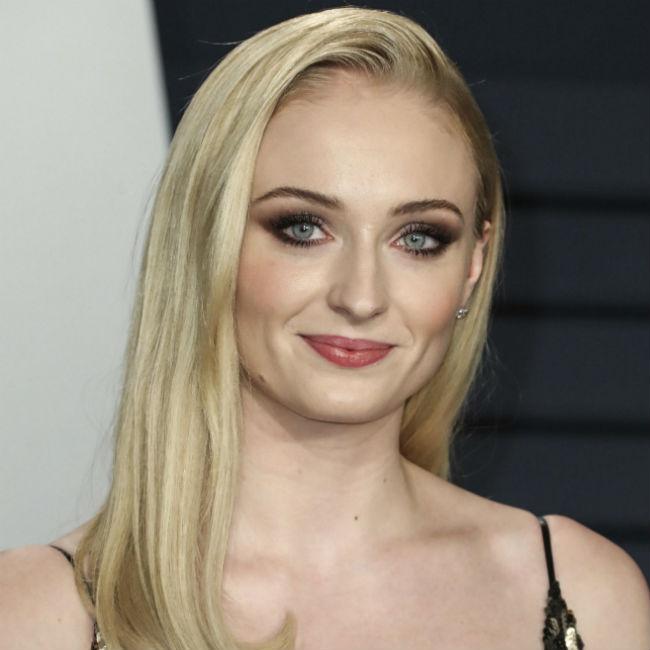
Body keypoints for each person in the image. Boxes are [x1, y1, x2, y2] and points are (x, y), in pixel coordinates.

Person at [1, 6, 648, 650]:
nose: (361, 297)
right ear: (207, 239)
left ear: (473, 264)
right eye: (303, 228)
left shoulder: (582, 593)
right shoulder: (39, 615)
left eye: (418, 238)